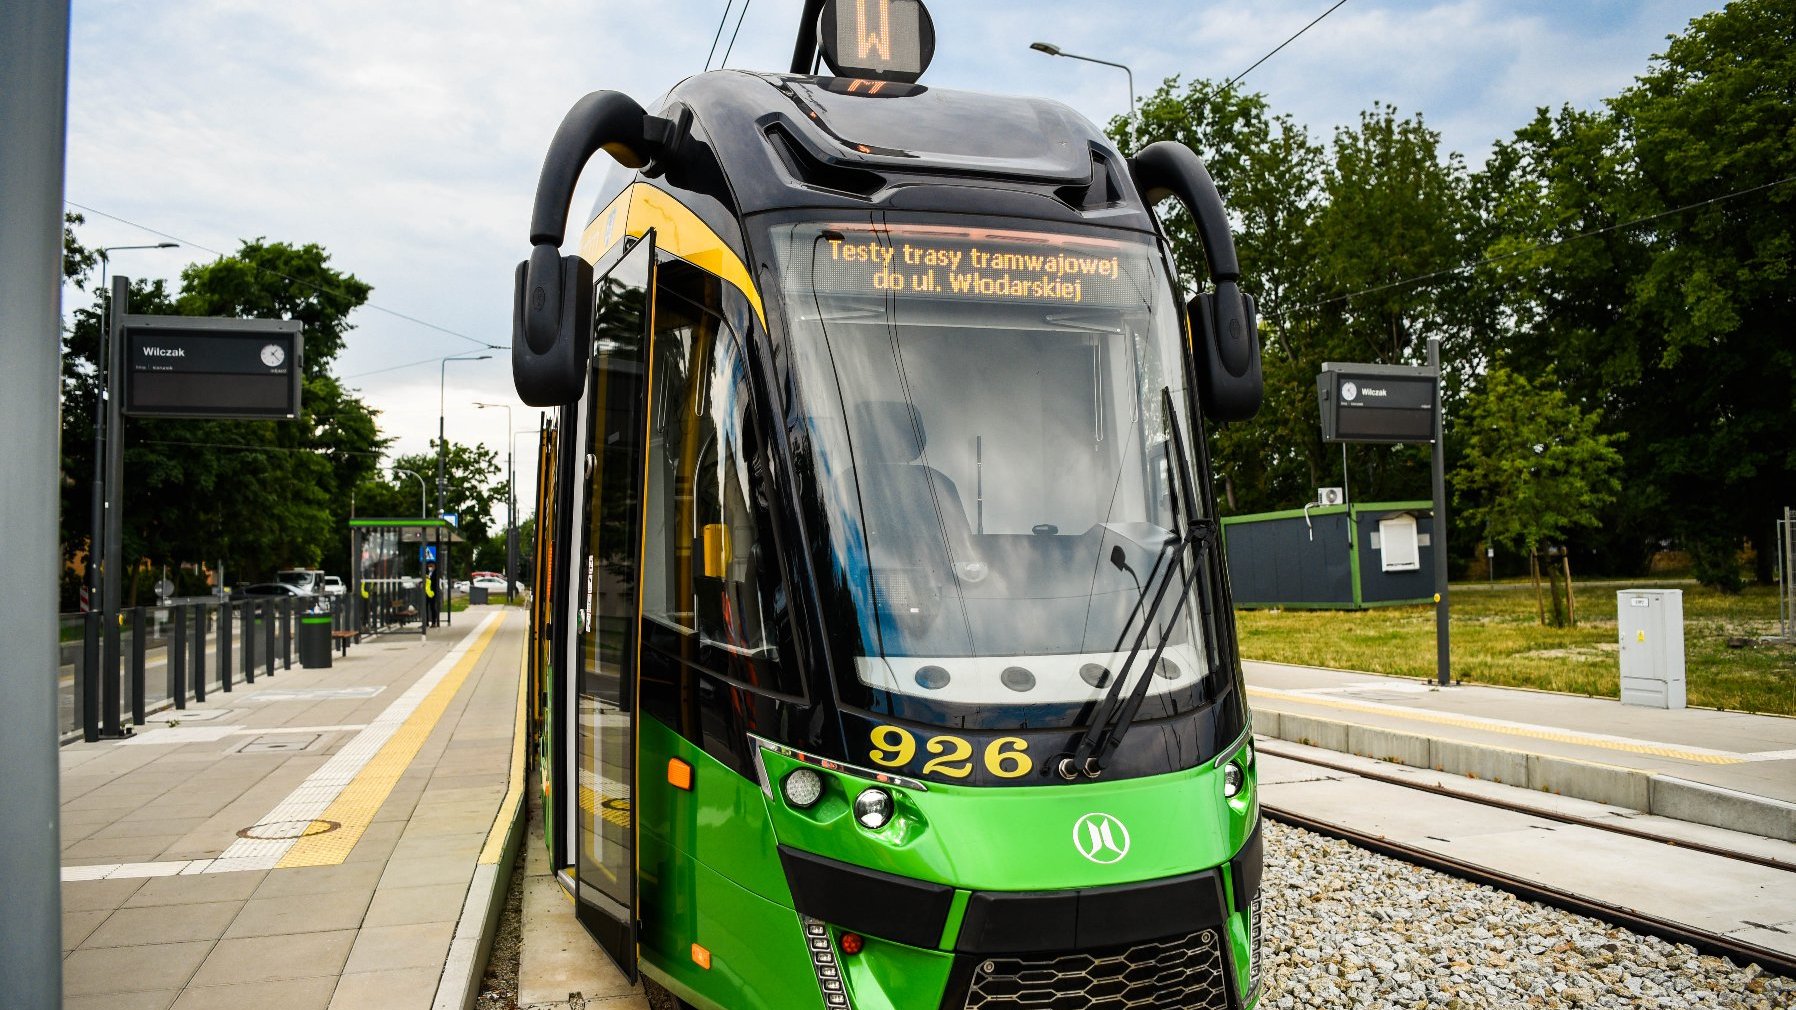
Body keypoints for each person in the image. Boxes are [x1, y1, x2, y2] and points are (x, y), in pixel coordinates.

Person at [423, 561, 440, 628]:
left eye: (431, 566)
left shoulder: (436, 573)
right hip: (426, 593)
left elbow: (435, 582)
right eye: (429, 566)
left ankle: (433, 622)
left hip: (432, 593)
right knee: (425, 607)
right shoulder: (426, 573)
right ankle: (426, 622)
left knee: (432, 607)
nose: (430, 567)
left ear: (434, 566)